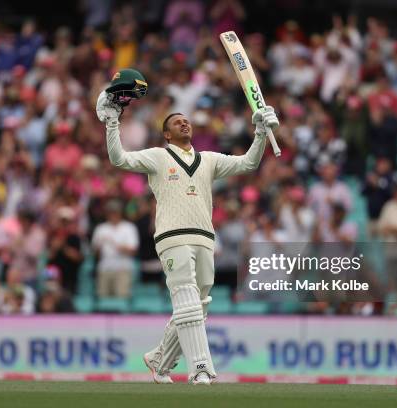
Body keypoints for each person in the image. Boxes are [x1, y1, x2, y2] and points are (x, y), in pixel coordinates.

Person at [96, 85, 278, 384]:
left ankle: (160, 360)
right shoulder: (157, 157)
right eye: (176, 121)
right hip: (172, 236)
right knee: (188, 301)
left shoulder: (208, 159)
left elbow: (248, 163)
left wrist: (260, 132)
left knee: (199, 305)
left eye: (186, 120)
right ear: (166, 134)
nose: (184, 122)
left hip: (205, 236)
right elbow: (119, 159)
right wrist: (112, 123)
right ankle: (201, 368)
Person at [91, 199, 139, 299]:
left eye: (115, 211)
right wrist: (98, 249)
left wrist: (116, 245)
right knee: (102, 298)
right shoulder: (101, 228)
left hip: (123, 268)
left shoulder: (129, 228)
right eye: (110, 212)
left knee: (122, 298)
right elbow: (95, 253)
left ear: (120, 213)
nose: (112, 214)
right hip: (104, 268)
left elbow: (133, 251)